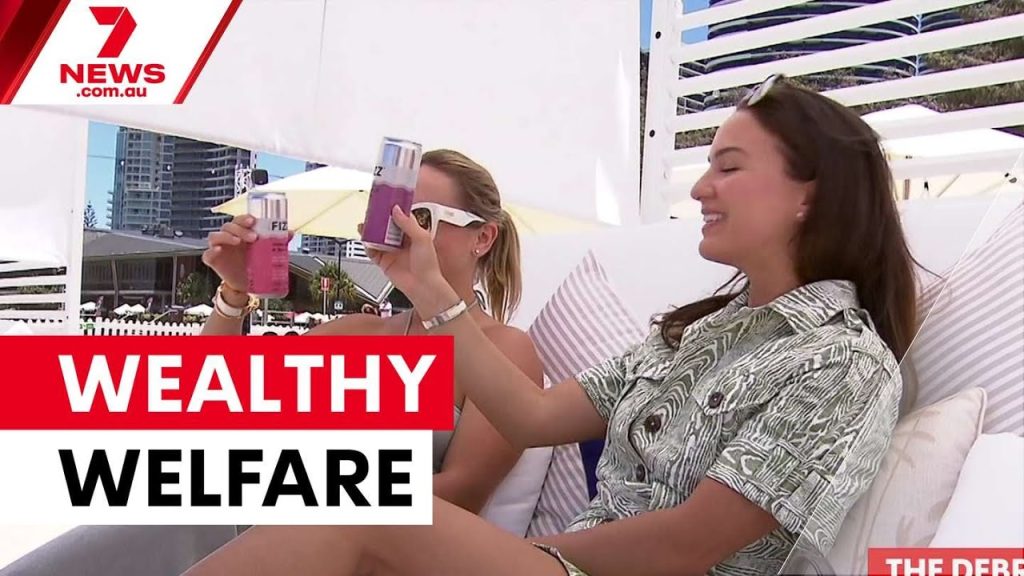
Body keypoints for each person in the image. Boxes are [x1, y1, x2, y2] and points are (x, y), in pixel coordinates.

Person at [183, 75, 919, 576]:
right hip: (559, 563)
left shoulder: (842, 363)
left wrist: (525, 556)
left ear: (808, 196)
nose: (699, 187)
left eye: (728, 167)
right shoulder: (698, 335)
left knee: (361, 516)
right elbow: (533, 416)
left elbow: (687, 546)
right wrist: (423, 289)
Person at [200, 149, 545, 514]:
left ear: (483, 238)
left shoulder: (504, 349)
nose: (401, 232)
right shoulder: (356, 332)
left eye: (420, 218)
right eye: (389, 214)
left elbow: (462, 493)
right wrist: (234, 293)